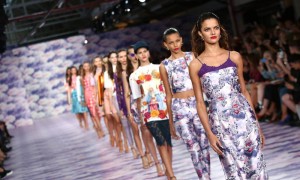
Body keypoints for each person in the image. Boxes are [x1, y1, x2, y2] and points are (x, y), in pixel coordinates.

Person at [189, 12, 268, 179]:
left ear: (220, 29)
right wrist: (210, 134)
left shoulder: (235, 56)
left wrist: (258, 125)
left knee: (257, 165)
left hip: (245, 120)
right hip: (220, 124)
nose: (213, 32)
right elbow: (200, 103)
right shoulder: (196, 65)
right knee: (233, 170)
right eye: (207, 29)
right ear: (200, 33)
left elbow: (245, 92)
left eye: (216, 28)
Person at [160, 27, 210, 179]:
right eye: (171, 43)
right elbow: (168, 95)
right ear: (165, 45)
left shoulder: (193, 57)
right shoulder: (164, 66)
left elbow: (202, 84)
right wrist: (170, 122)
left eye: (177, 41)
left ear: (181, 40)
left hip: (197, 104)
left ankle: (207, 176)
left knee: (205, 145)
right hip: (179, 108)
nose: (175, 45)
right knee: (192, 147)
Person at [131, 41, 174, 179]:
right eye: (139, 53)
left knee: (168, 142)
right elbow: (138, 98)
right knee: (160, 141)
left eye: (145, 51)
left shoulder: (159, 68)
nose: (143, 54)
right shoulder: (134, 76)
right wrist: (141, 118)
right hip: (148, 112)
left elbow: (167, 89)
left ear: (148, 52)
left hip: (164, 109)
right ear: (136, 56)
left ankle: (168, 169)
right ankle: (171, 175)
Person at [123, 46, 156, 169]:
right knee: (138, 130)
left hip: (148, 100)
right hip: (134, 102)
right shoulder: (126, 72)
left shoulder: (145, 68)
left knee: (146, 130)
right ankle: (144, 156)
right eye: (131, 54)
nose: (134, 56)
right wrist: (128, 111)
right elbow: (127, 93)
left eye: (134, 53)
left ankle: (149, 152)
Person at [115, 48, 138, 158]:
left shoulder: (132, 68)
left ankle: (140, 148)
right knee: (127, 126)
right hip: (124, 101)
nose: (123, 58)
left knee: (136, 127)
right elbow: (119, 91)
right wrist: (120, 107)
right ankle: (132, 147)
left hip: (135, 99)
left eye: (125, 56)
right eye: (121, 57)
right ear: (118, 59)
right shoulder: (117, 73)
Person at [82, 61, 105, 138]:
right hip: (88, 96)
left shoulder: (93, 74)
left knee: (99, 113)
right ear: (83, 68)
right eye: (85, 66)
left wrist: (97, 94)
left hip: (95, 94)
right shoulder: (83, 77)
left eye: (87, 66)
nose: (86, 67)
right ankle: (100, 130)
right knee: (93, 114)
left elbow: (96, 85)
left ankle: (98, 127)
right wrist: (84, 100)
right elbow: (84, 88)